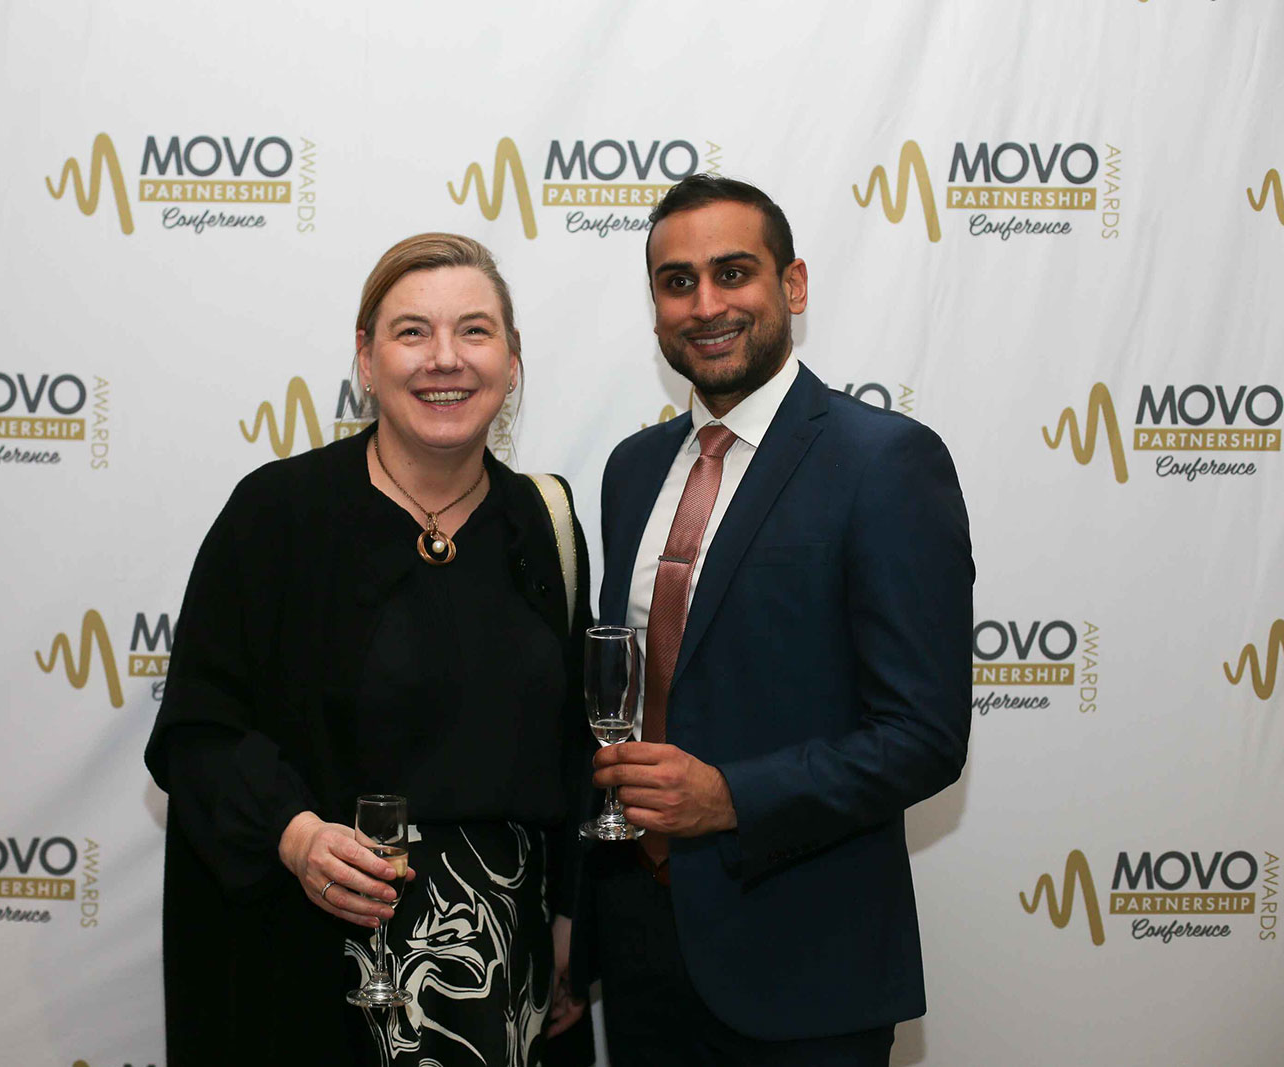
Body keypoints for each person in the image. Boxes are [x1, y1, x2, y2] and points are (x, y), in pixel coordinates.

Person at [144, 233, 592, 1066]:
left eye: (474, 330)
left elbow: (575, 748)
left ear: (512, 360)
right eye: (412, 331)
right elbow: (196, 732)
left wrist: (571, 916)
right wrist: (294, 834)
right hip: (316, 972)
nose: (445, 358)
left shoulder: (546, 522)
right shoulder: (277, 515)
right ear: (366, 357)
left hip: (511, 979)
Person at [582, 175, 973, 1066]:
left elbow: (923, 736)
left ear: (792, 285)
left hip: (805, 968)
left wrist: (730, 797)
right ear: (654, 307)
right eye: (677, 282)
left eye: (733, 273)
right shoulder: (632, 469)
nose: (705, 305)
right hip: (641, 951)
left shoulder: (885, 463)